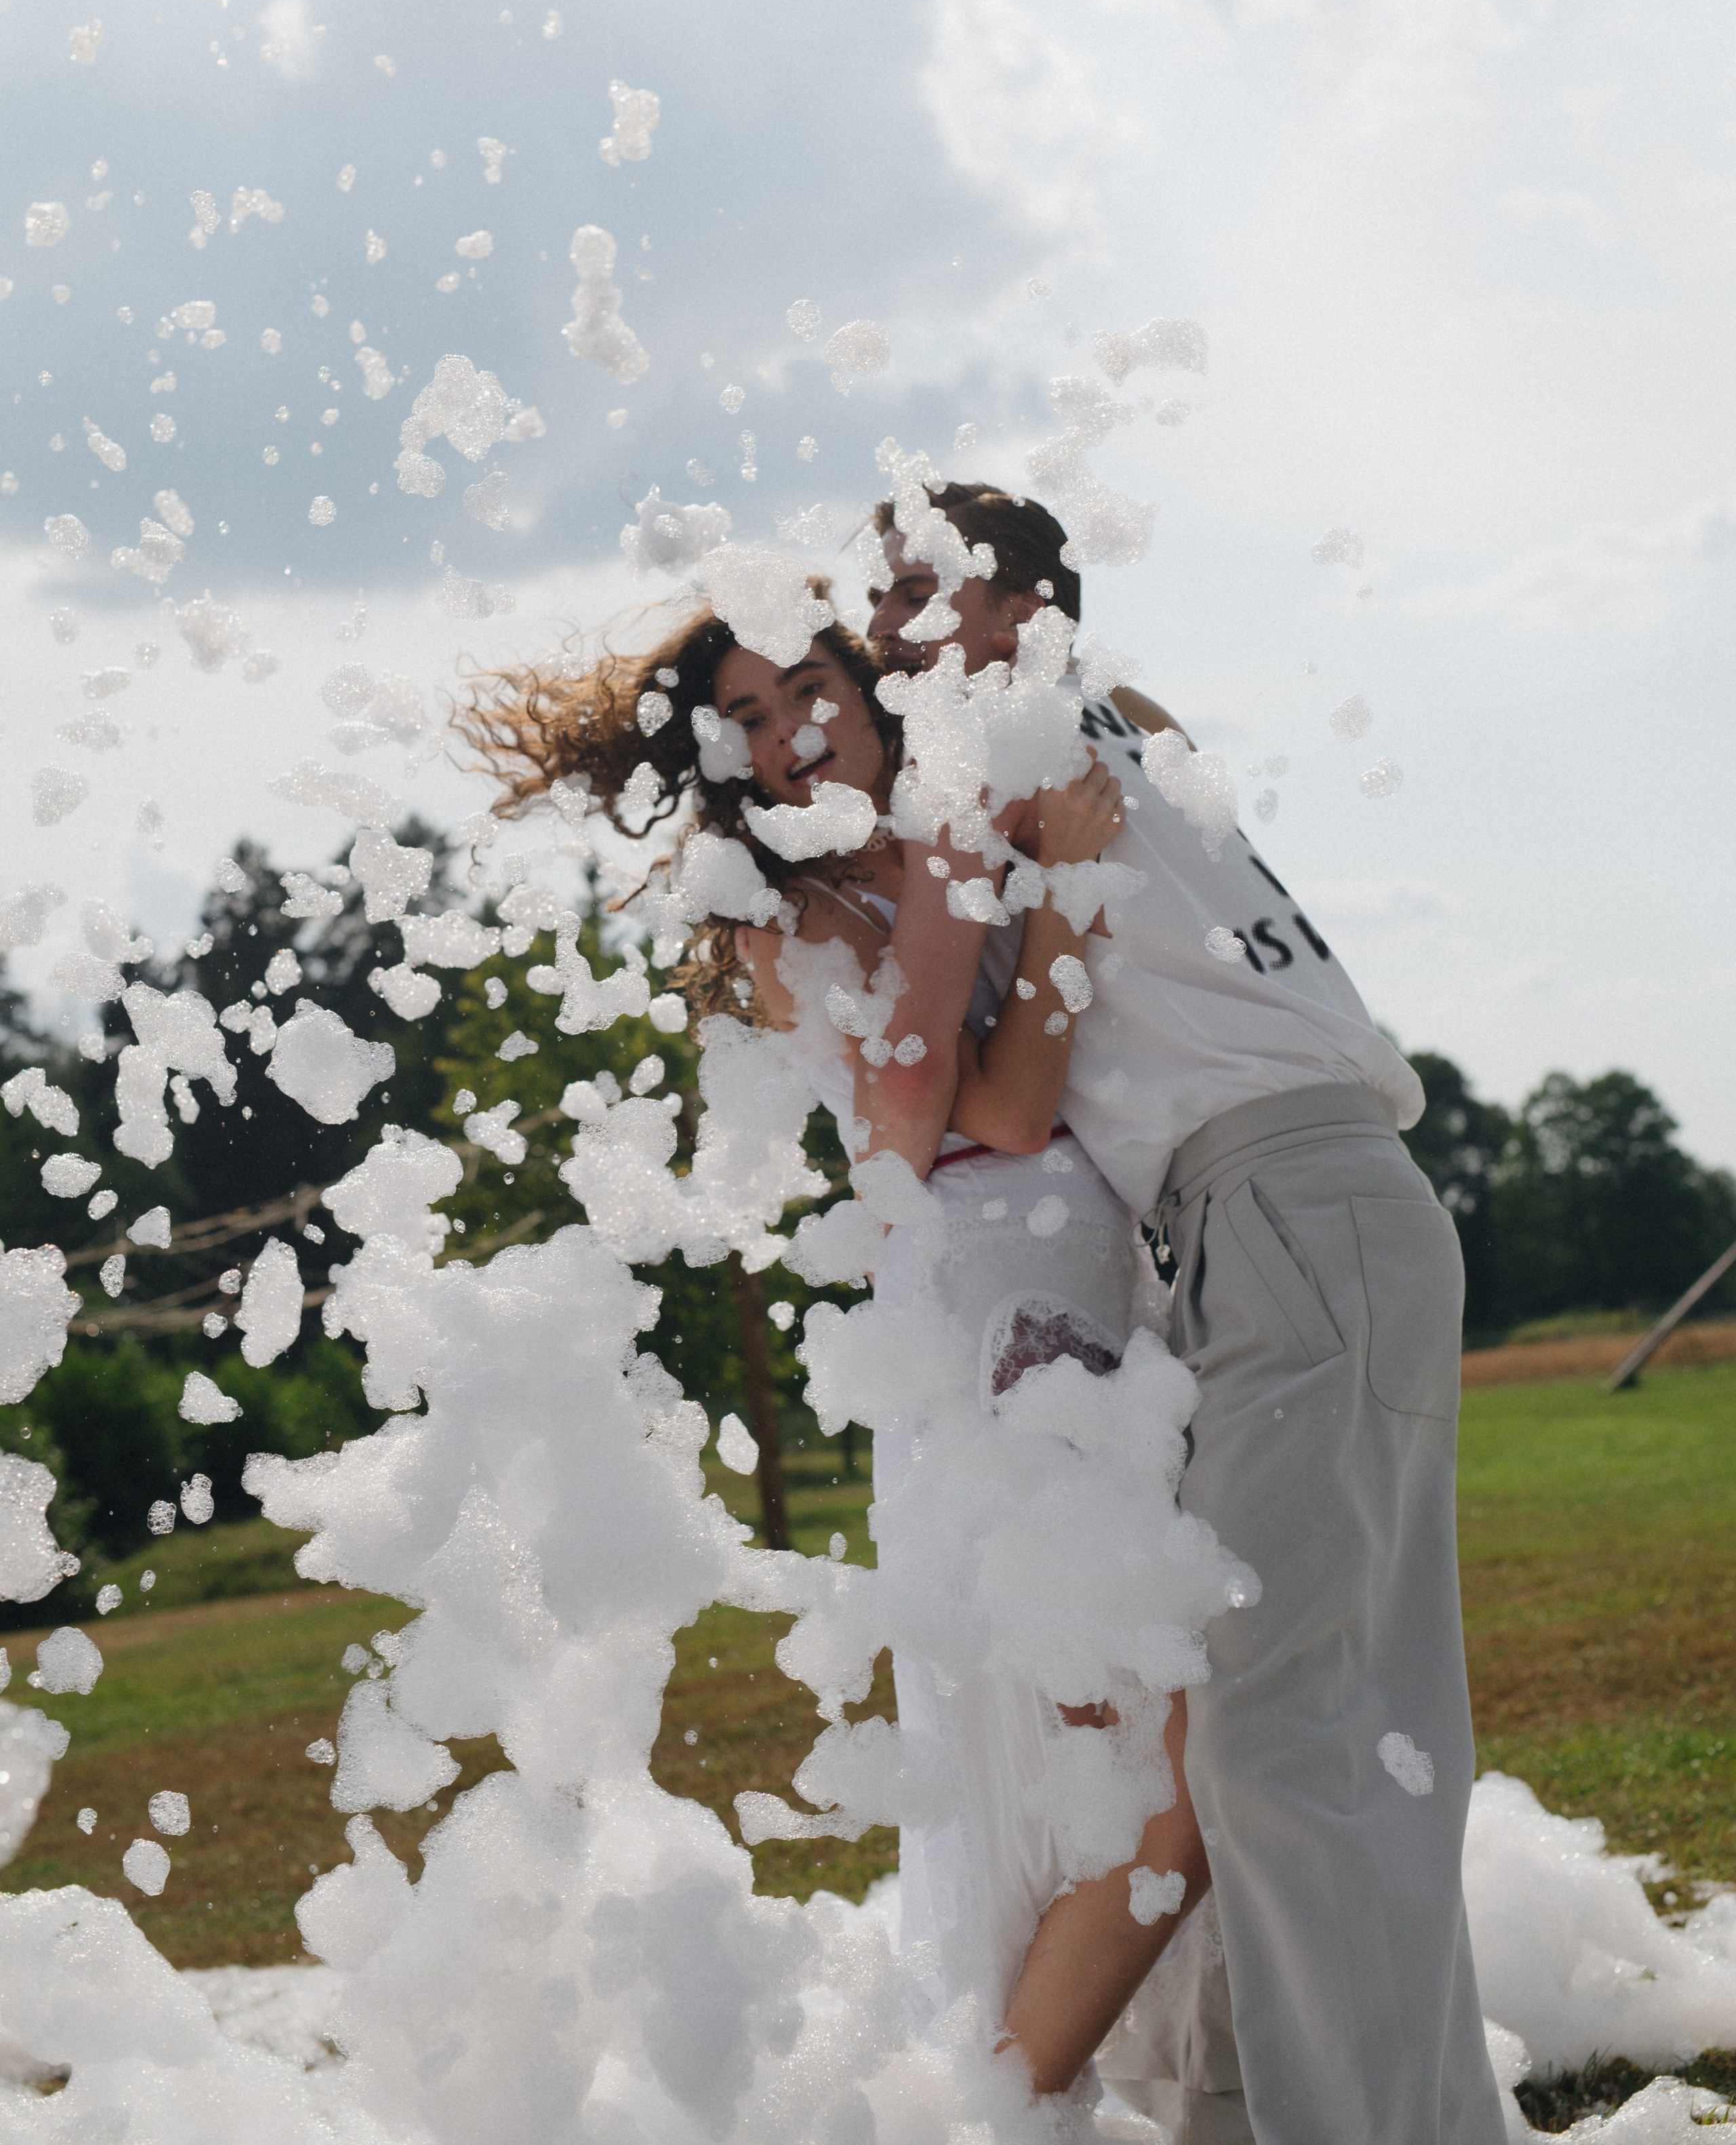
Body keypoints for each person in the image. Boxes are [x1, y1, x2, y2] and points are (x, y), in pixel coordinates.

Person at [456, 595, 1202, 2053]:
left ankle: (1098, 2079)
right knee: (1152, 1798)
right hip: (1004, 1356)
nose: (785, 731)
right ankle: (999, 2102)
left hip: (1102, 1318)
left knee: (1150, 1762)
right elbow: (955, 1111)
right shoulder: (798, 913)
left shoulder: (930, 842)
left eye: (805, 687)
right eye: (742, 715)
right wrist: (1030, 874)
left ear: (867, 692)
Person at [863, 480, 1507, 2145]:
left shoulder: (989, 751)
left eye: (913, 593)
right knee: (1291, 1711)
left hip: (1283, 1206)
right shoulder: (1122, 720)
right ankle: (1252, 2103)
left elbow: (993, 1103)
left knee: (1281, 1729)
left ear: (1011, 611)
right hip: (1303, 1208)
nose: (879, 632)